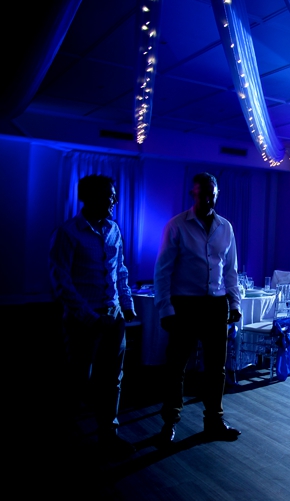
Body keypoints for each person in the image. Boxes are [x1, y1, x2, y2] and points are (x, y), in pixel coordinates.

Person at [49, 174, 137, 459]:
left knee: (112, 380)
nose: (115, 201)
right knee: (77, 380)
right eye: (110, 196)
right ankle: (66, 439)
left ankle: (108, 437)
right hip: (81, 322)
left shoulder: (113, 229)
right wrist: (90, 318)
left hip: (113, 317)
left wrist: (126, 305)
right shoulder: (67, 233)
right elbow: (61, 282)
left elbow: (120, 271)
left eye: (114, 196)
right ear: (90, 198)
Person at [154, 172, 241, 444]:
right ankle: (169, 422)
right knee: (176, 366)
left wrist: (235, 302)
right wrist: (165, 309)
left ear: (217, 195)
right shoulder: (176, 226)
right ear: (192, 194)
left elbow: (231, 270)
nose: (206, 199)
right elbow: (162, 271)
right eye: (201, 194)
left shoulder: (225, 227)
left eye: (211, 195)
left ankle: (214, 420)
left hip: (216, 305)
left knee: (216, 368)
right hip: (185, 305)